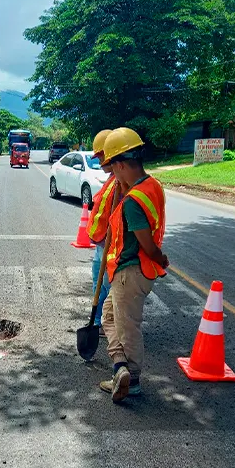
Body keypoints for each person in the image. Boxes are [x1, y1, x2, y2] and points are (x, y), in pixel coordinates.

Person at [99, 128, 169, 402]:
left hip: (131, 271)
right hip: (136, 272)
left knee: (128, 326)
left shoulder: (132, 203)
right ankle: (120, 368)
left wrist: (160, 257)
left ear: (119, 164)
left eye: (112, 166)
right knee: (108, 316)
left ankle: (134, 379)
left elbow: (146, 243)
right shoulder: (152, 186)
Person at [86, 130, 116, 334]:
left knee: (106, 285)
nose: (99, 161)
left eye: (101, 156)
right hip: (101, 245)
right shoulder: (112, 178)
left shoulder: (122, 180)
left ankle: (107, 323)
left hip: (110, 246)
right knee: (98, 281)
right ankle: (97, 322)